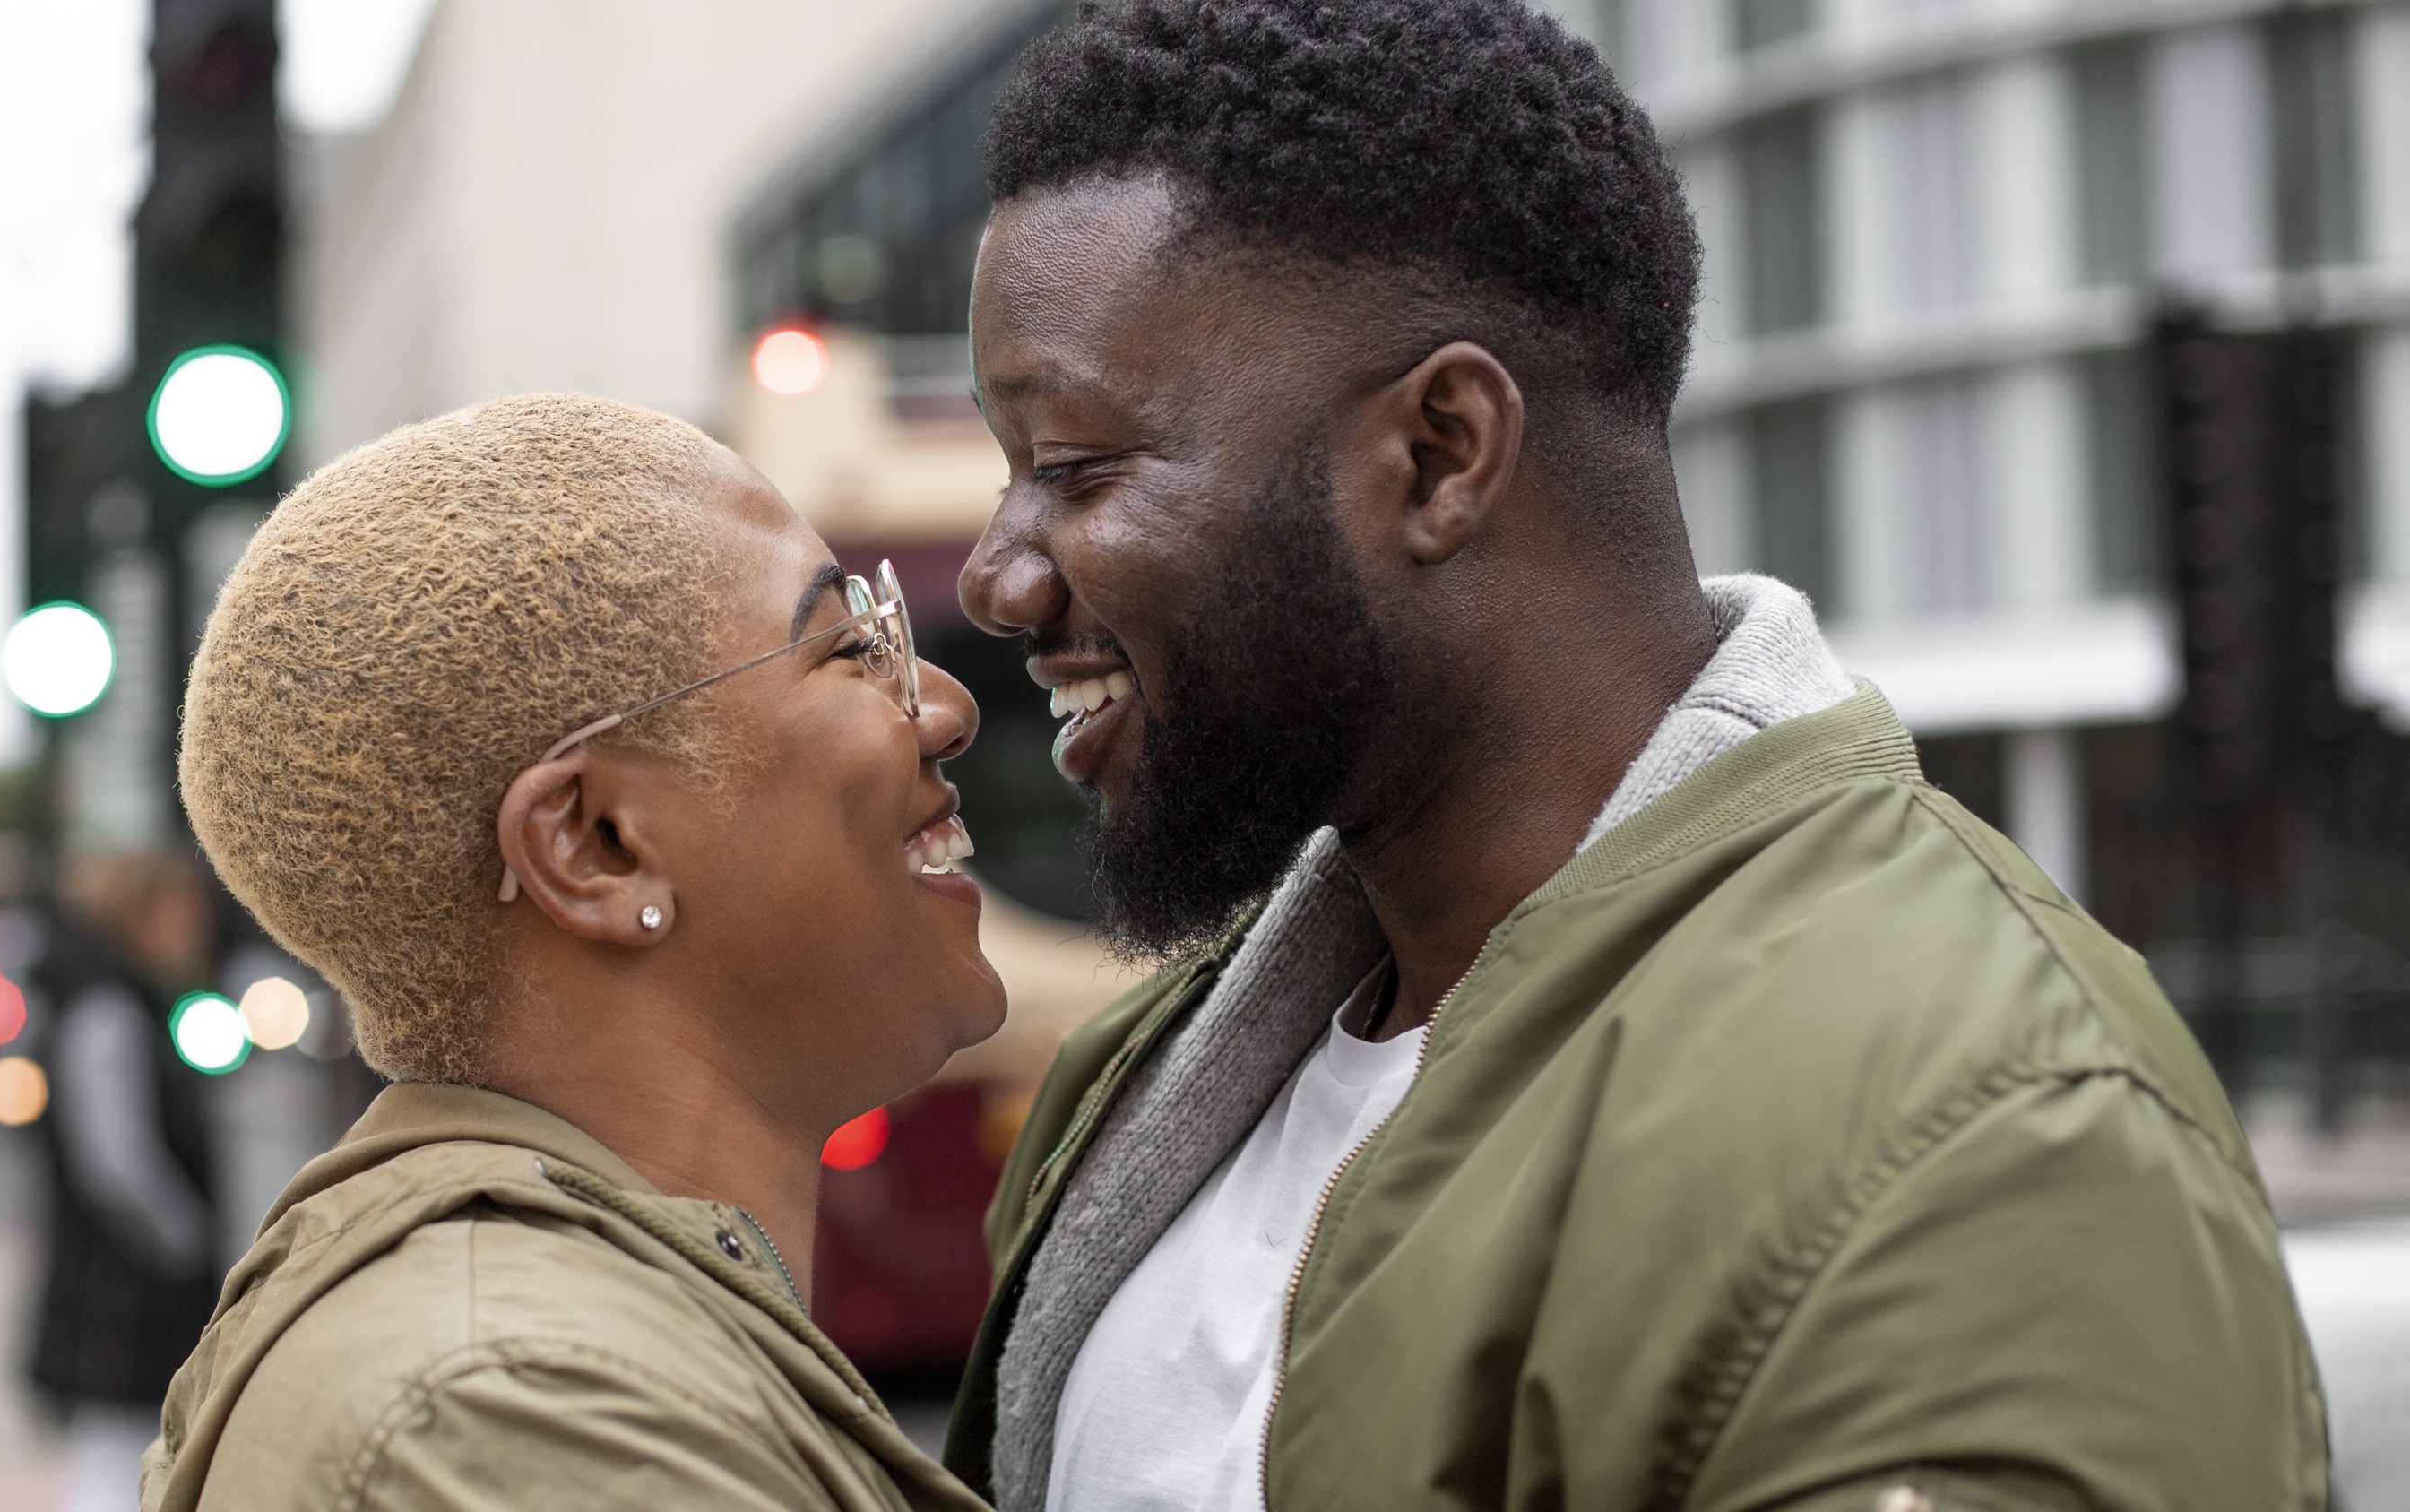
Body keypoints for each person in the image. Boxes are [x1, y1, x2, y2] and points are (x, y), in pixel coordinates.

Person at [943, 4, 2328, 1511]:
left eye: (1073, 469)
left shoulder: (1984, 1131)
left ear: (1439, 454)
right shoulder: (1141, 1095)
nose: (998, 582)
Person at [146, 393, 1003, 1512]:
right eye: (850, 647)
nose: (942, 705)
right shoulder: (512, 1410)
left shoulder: (522, 1356)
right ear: (597, 848)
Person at [28, 851, 224, 1512]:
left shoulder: (120, 997)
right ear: (139, 913)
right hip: (121, 1297)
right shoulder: (109, 1007)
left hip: (121, 1289)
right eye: (181, 910)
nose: (195, 926)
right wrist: (189, 1242)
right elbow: (115, 1160)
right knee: (114, 1464)